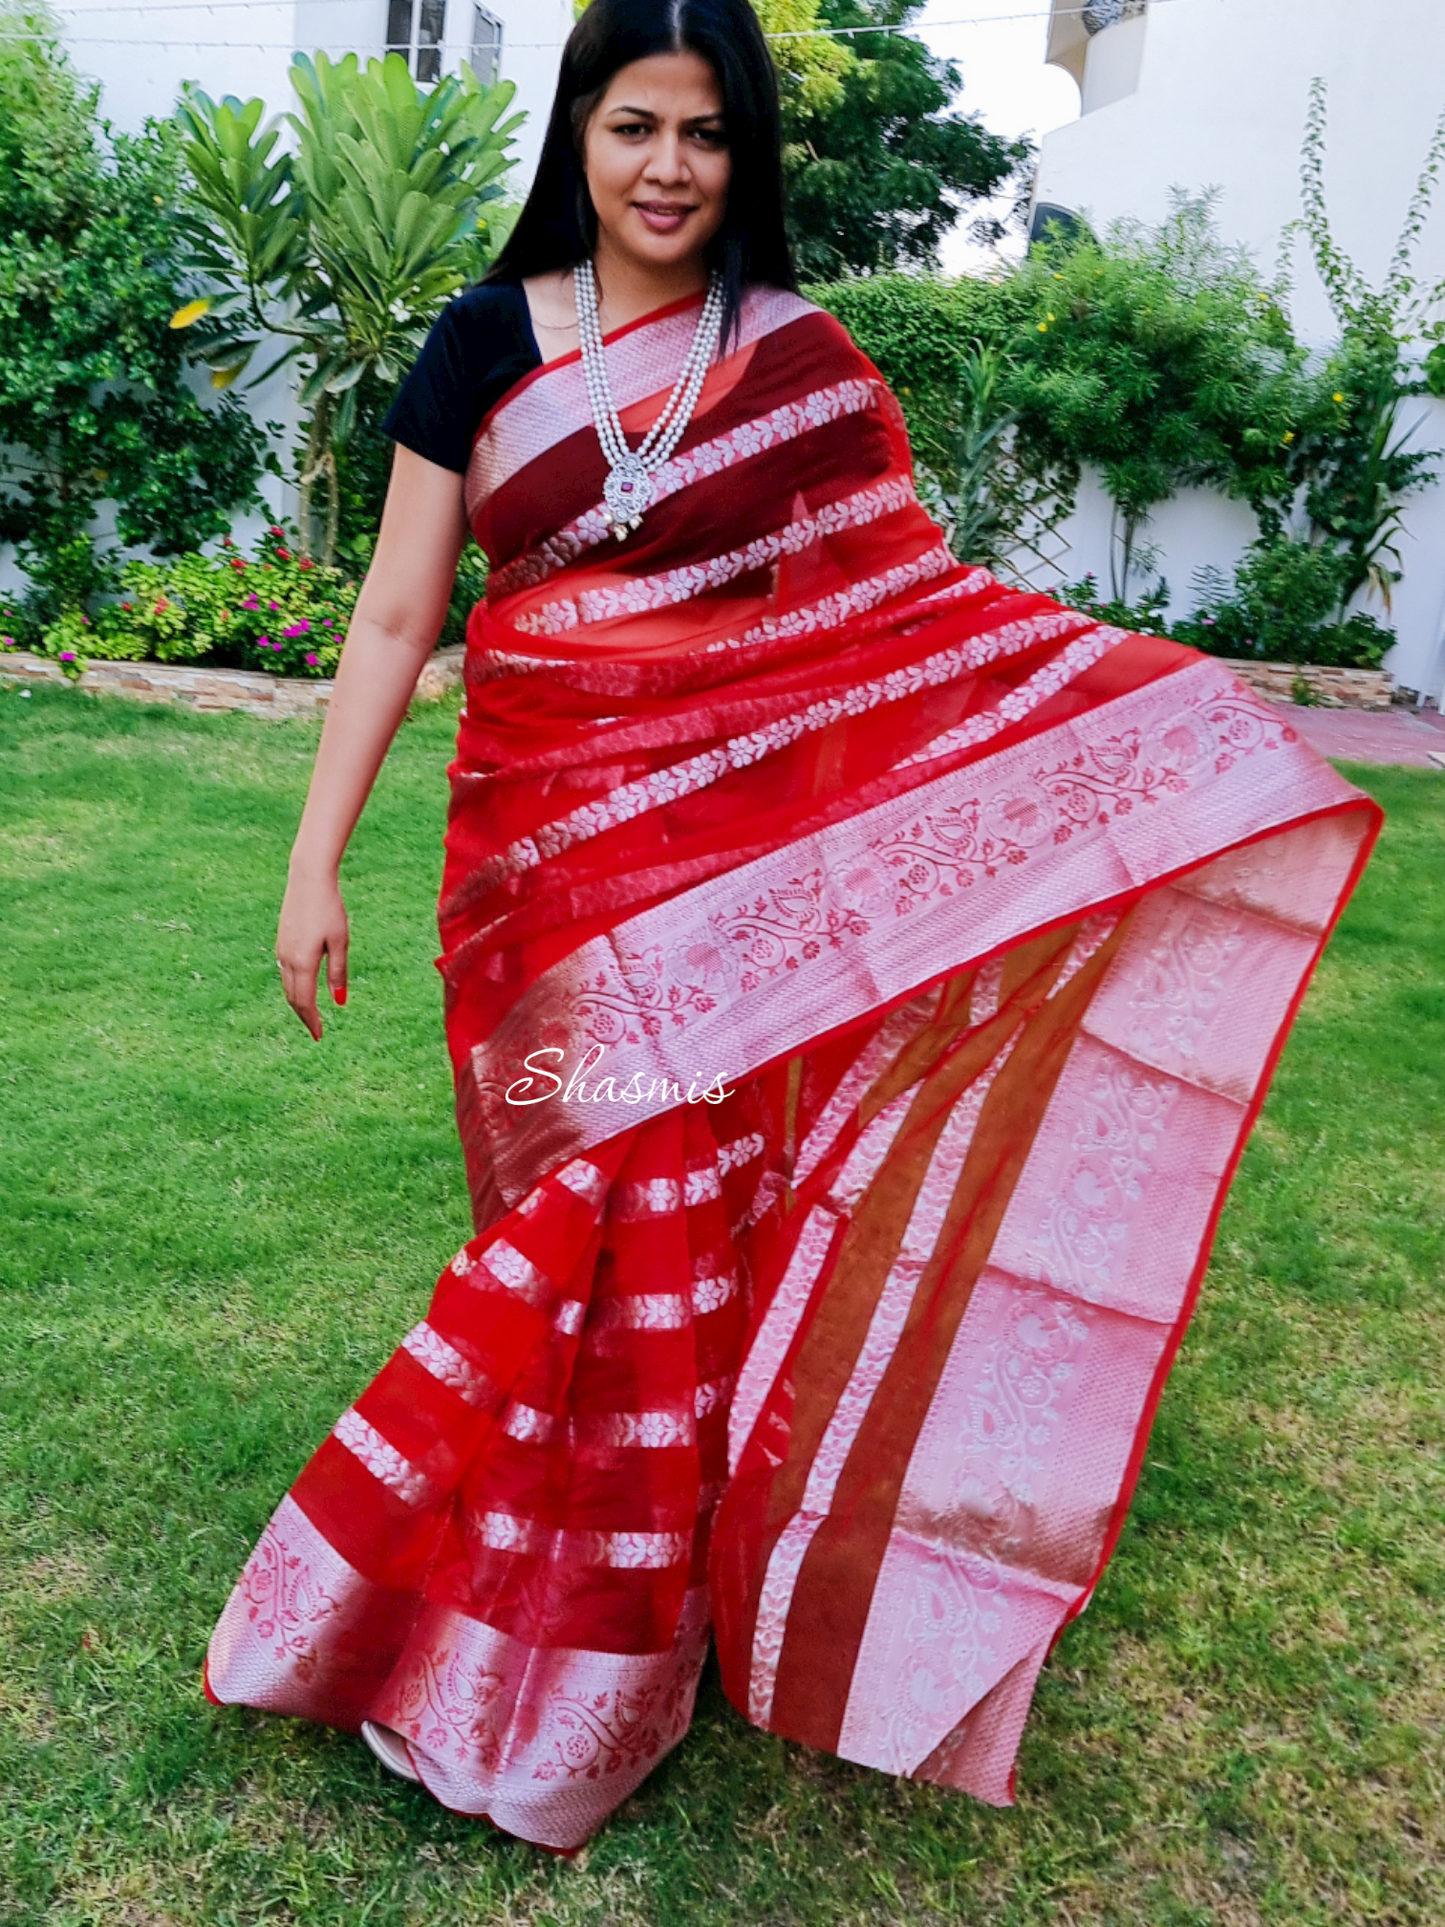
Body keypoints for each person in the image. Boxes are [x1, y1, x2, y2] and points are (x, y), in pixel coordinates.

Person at [203, 0, 1381, 1856]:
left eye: (707, 133)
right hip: (535, 868)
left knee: (650, 1226)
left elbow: (896, 619)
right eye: (634, 125)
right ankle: (508, 1610)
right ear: (575, 136)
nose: (669, 167)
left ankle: (599, 1653)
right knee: (559, 1225)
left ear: (750, 154)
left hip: (721, 883)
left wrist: (1130, 713)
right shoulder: (476, 346)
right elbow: (390, 618)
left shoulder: (800, 363)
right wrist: (309, 859)